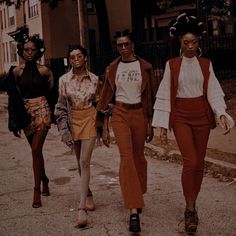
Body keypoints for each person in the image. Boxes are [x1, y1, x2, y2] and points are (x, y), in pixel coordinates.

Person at [152, 13, 235, 234]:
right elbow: (164, 93)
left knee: (199, 163)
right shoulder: (172, 65)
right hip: (180, 116)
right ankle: (189, 210)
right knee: (190, 162)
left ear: (198, 43)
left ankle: (193, 201)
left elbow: (214, 92)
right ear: (180, 43)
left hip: (201, 116)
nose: (190, 46)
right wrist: (161, 123)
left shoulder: (206, 64)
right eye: (186, 42)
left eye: (194, 42)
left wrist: (222, 114)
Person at [96, 30, 158, 233]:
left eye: (126, 44)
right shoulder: (112, 68)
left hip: (139, 113)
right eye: (119, 45)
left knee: (138, 157)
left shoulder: (145, 67)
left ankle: (136, 192)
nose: (123, 48)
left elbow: (150, 97)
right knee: (126, 158)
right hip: (120, 113)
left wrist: (149, 122)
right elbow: (105, 98)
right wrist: (104, 127)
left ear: (133, 45)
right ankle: (133, 211)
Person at [7, 27, 54, 208]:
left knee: (35, 150)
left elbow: (51, 95)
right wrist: (14, 122)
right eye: (26, 49)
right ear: (21, 50)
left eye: (33, 50)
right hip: (25, 113)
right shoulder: (16, 72)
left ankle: (36, 191)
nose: (29, 53)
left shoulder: (46, 71)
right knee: (37, 152)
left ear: (38, 51)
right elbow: (14, 99)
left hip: (42, 110)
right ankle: (44, 179)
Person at [54, 45, 99, 228]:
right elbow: (61, 106)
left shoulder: (95, 79)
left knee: (84, 162)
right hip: (73, 120)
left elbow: (99, 103)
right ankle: (87, 193)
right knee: (79, 162)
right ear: (69, 60)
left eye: (79, 56)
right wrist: (64, 129)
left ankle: (81, 209)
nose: (76, 59)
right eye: (72, 57)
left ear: (85, 57)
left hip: (89, 118)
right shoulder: (64, 80)